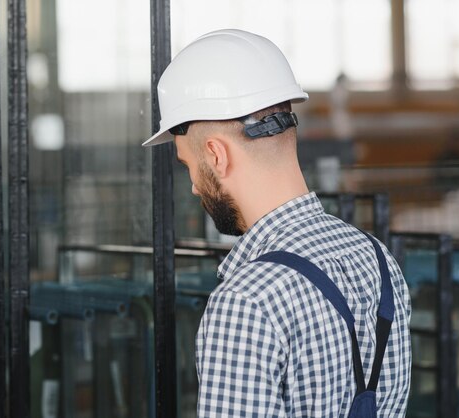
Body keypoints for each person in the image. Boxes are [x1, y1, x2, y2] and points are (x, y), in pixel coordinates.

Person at [143, 29, 411, 417]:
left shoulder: (246, 302)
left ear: (217, 155)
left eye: (189, 164)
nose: (193, 188)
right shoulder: (378, 260)